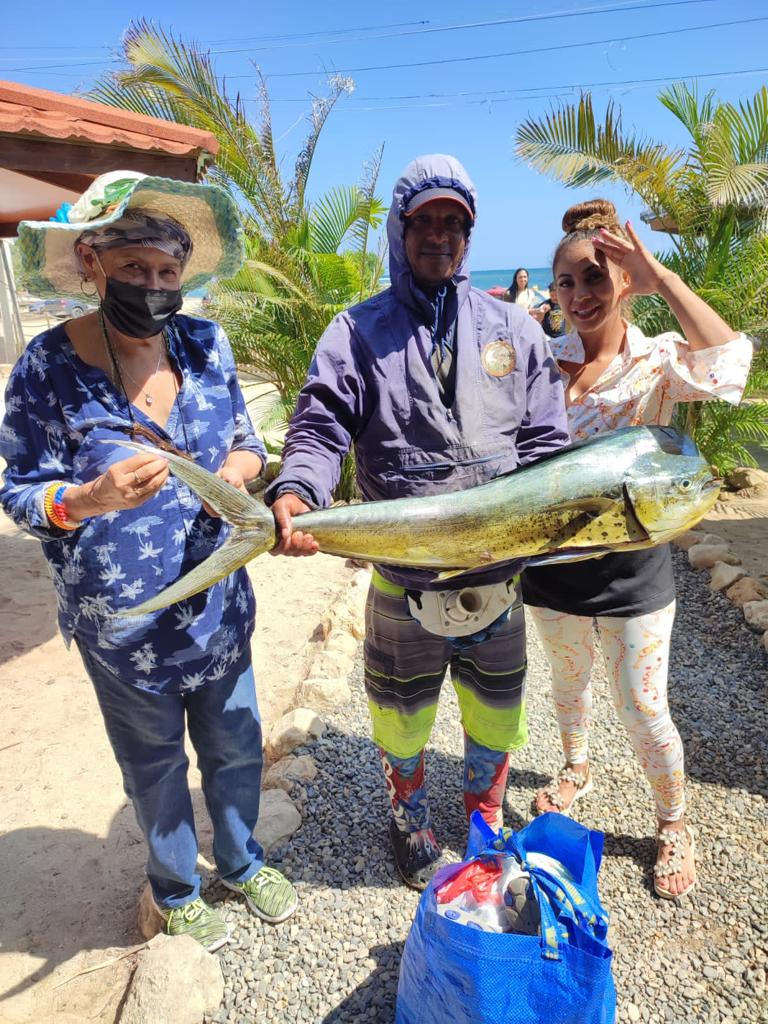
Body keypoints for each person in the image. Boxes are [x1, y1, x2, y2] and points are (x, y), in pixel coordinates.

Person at [0, 171, 297, 950]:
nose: (155, 286)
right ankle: (174, 885)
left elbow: (247, 441)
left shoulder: (206, 346)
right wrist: (90, 497)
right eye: (135, 269)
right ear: (92, 263)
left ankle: (239, 857)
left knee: (236, 743)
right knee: (154, 763)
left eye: (169, 272)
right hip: (121, 626)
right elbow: (21, 490)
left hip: (217, 607)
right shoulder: (45, 369)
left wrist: (237, 475)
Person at [265, 154, 569, 889]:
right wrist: (300, 490)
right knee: (401, 718)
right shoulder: (356, 331)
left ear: (469, 234)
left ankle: (482, 821)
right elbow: (319, 424)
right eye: (424, 221)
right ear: (400, 230)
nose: (439, 235)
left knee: (496, 717)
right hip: (404, 580)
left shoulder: (515, 329)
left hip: (497, 582)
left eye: (453, 223)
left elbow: (548, 446)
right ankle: (408, 817)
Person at [522, 199, 753, 899]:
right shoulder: (537, 361)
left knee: (643, 703)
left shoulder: (656, 361)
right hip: (551, 565)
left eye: (596, 279)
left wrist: (660, 276)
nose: (580, 296)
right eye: (567, 282)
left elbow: (729, 364)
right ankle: (577, 768)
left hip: (634, 573)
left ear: (622, 284)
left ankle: (674, 821)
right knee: (566, 685)